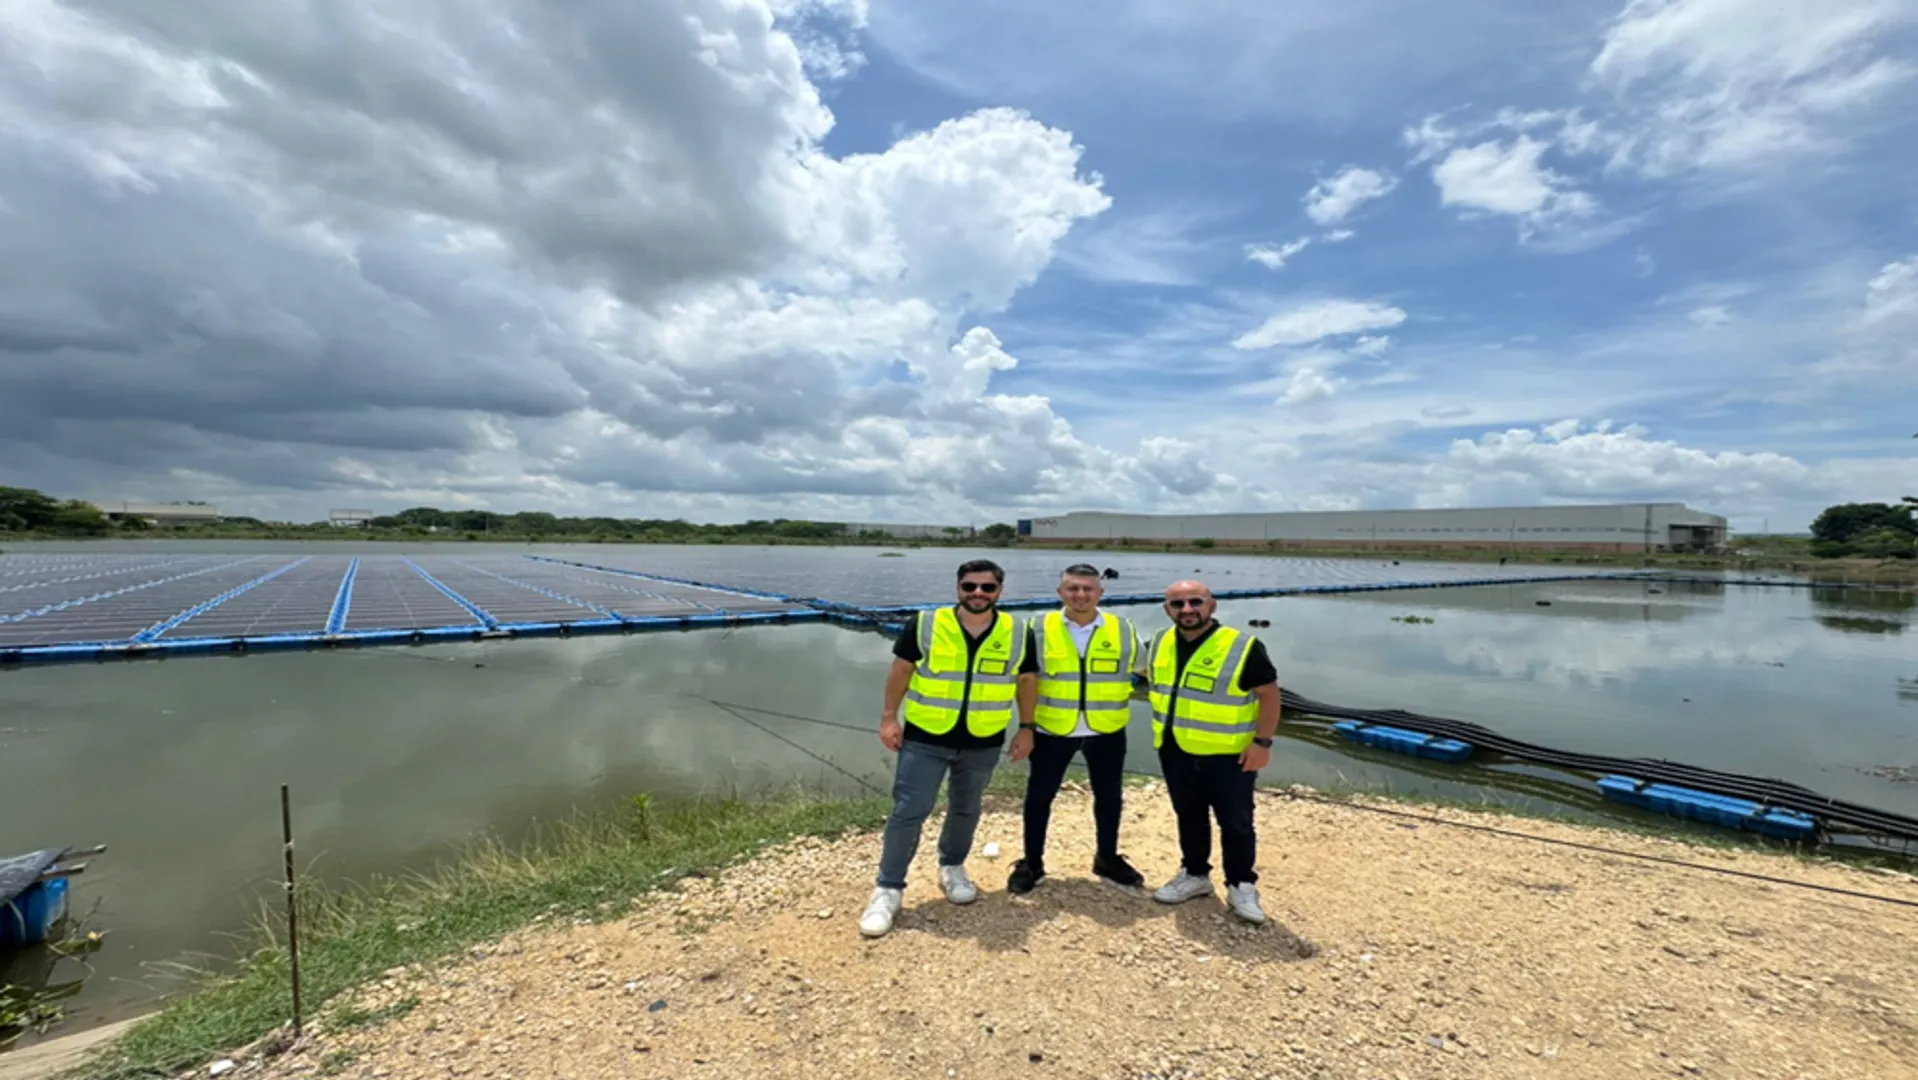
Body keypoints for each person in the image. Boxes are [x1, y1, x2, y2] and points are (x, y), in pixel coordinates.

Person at [860, 559, 1038, 937]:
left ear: (1000, 591)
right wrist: (889, 718)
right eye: (969, 586)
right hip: (926, 737)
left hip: (983, 739)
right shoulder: (926, 623)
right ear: (958, 588)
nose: (978, 593)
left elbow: (1026, 681)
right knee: (909, 810)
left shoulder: (1018, 631)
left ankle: (952, 866)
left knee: (966, 807)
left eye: (987, 587)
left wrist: (1026, 728)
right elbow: (901, 670)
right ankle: (888, 888)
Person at [1144, 580, 1282, 924]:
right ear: (1167, 609)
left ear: (1212, 605)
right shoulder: (1159, 642)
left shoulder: (1241, 646)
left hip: (1229, 754)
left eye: (1196, 602)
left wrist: (1262, 743)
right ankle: (1194, 874)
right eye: (1177, 604)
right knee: (1188, 815)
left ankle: (1241, 884)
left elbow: (1269, 695)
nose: (1187, 610)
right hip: (1175, 747)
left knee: (1236, 822)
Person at [1004, 564, 1147, 894]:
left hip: (1107, 729)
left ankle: (1107, 857)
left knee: (1109, 797)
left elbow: (1147, 669)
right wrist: (1025, 727)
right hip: (1052, 729)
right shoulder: (1037, 628)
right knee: (1039, 797)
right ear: (1060, 592)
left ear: (1100, 593)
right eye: (1072, 588)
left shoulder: (1123, 629)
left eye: (1087, 589)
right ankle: (1032, 862)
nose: (1080, 595)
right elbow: (1024, 680)